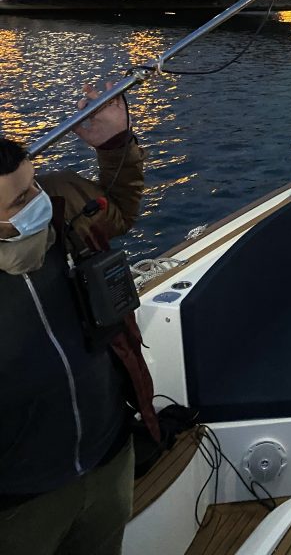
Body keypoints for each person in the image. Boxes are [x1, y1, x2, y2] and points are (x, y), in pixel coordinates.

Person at [0, 84, 159, 555]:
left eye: (33, 186)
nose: (37, 203)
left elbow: (120, 211)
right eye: (17, 202)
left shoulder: (62, 199)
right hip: (18, 504)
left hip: (109, 453)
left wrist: (115, 145)